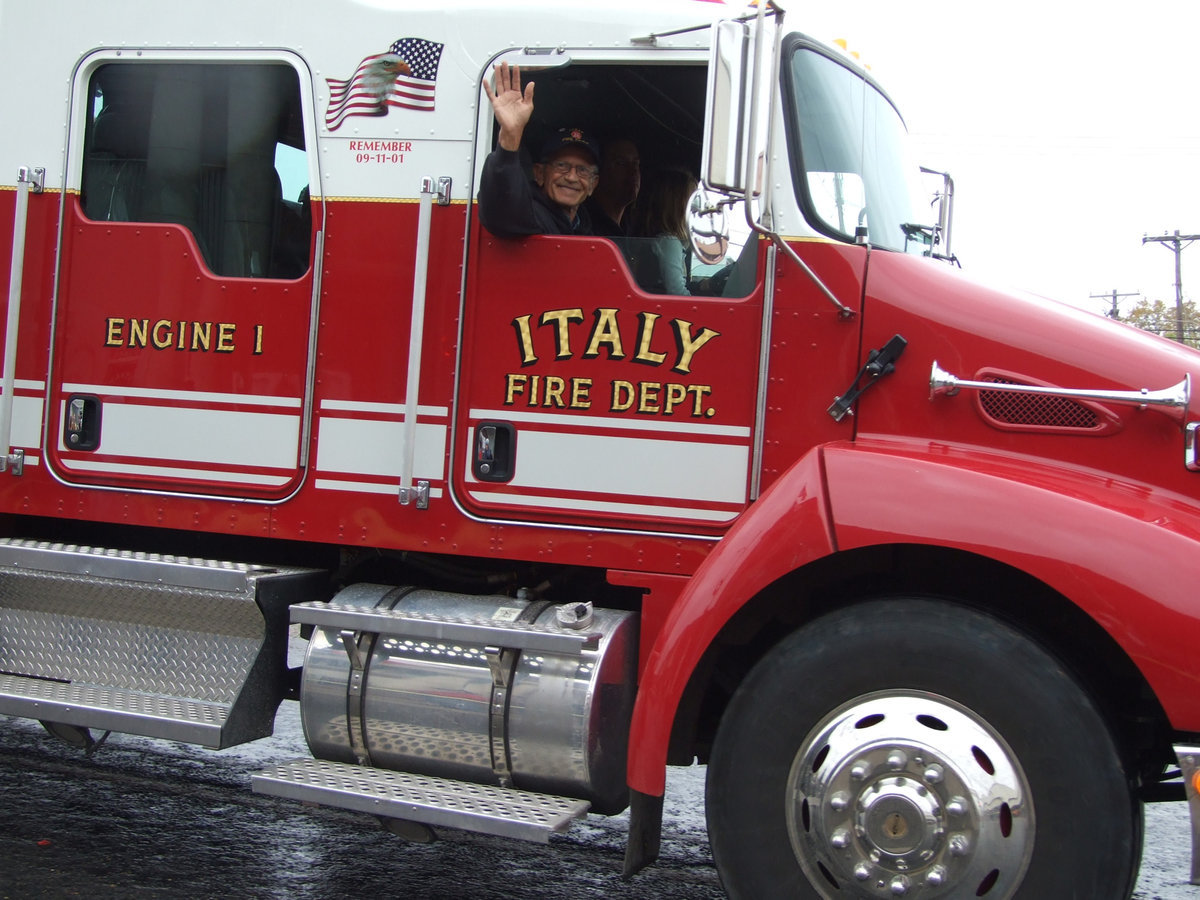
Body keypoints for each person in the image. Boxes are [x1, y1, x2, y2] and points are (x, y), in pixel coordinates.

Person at [478, 62, 599, 237]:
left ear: (593, 184)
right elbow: (503, 212)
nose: (572, 177)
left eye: (582, 171)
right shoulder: (532, 214)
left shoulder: (583, 224)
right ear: (540, 173)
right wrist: (510, 136)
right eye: (562, 166)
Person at [632, 166, 698, 295]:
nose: (695, 208)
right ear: (678, 205)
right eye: (691, 201)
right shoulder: (669, 242)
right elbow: (677, 291)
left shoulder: (662, 240)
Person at [585, 138, 640, 237]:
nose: (633, 171)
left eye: (636, 164)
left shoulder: (634, 226)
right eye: (621, 164)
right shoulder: (585, 225)